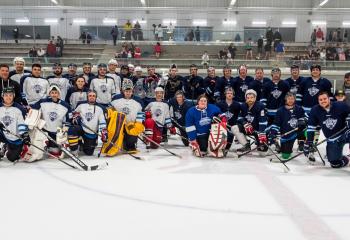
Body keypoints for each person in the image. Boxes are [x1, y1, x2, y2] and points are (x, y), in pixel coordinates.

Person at [305, 92, 350, 168]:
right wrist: (309, 142)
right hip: (333, 139)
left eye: (325, 99)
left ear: (329, 99)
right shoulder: (315, 110)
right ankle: (347, 158)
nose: (323, 101)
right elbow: (311, 128)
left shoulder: (340, 105)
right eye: (320, 100)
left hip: (345, 133)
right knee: (335, 164)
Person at [31, 84, 72, 157]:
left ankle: (51, 146)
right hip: (45, 131)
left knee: (55, 152)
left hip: (57, 132)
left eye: (56, 93)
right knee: (38, 149)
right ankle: (44, 146)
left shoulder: (65, 105)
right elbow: (33, 109)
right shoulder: (43, 102)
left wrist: (64, 132)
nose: (54, 95)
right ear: (49, 93)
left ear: (59, 94)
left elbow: (69, 119)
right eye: (52, 93)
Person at [68, 90, 106, 156]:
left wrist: (104, 133)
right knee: (73, 129)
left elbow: (102, 121)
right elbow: (73, 114)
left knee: (89, 153)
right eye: (90, 96)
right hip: (81, 129)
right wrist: (76, 118)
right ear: (87, 97)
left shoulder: (100, 108)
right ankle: (74, 150)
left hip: (91, 132)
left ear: (96, 97)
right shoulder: (81, 105)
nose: (92, 97)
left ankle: (81, 145)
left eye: (93, 96)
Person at [269, 92, 307, 159]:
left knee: (307, 130)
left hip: (298, 132)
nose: (290, 100)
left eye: (292, 99)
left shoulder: (299, 109)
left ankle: (303, 143)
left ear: (294, 99)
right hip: (287, 135)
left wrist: (302, 121)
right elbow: (276, 123)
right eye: (288, 99)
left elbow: (306, 117)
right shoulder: (280, 110)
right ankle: (285, 149)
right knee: (285, 156)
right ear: (285, 99)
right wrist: (273, 133)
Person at [111, 78, 144, 152]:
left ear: (132, 91)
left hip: (130, 125)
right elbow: (111, 110)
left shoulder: (138, 100)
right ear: (123, 91)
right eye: (126, 91)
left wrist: (136, 125)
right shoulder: (116, 99)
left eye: (130, 91)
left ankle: (130, 143)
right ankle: (120, 142)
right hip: (119, 125)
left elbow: (140, 114)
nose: (128, 93)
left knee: (130, 145)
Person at [0, 87, 29, 162]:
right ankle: (3, 145)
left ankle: (19, 147)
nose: (8, 97)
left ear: (14, 96)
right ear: (2, 96)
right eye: (6, 95)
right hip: (3, 135)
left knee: (12, 158)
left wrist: (24, 135)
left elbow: (21, 123)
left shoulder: (19, 108)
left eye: (10, 95)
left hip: (15, 137)